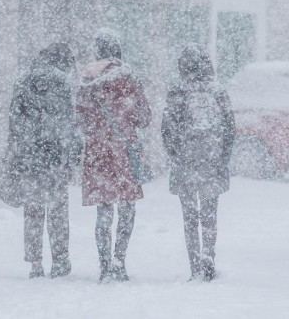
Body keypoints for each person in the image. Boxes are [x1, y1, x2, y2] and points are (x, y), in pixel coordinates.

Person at [76, 29, 151, 283]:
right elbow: (144, 118)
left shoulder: (86, 79)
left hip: (98, 151)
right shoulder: (128, 78)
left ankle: (104, 265)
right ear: (117, 49)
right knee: (127, 207)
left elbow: (81, 119)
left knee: (103, 209)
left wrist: (98, 131)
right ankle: (120, 261)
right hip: (123, 150)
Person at [161, 44, 235, 282]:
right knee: (209, 214)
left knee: (190, 217)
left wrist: (176, 155)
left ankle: (195, 268)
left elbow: (167, 130)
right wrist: (222, 157)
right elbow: (230, 129)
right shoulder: (218, 91)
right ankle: (208, 258)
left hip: (186, 161)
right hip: (212, 161)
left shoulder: (178, 91)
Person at [8, 42, 82, 279]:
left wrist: (18, 149)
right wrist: (71, 152)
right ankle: (59, 260)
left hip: (29, 156)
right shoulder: (62, 82)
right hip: (55, 157)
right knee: (58, 210)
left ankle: (36, 263)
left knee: (33, 210)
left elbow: (14, 120)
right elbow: (68, 121)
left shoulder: (23, 79)